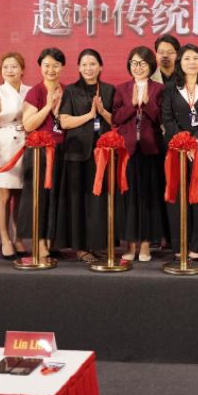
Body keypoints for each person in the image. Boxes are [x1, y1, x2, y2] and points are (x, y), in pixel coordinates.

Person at [57, 49, 116, 263]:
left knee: (99, 200)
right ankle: (81, 248)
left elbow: (117, 121)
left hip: (103, 152)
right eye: (84, 64)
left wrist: (102, 112)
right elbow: (64, 121)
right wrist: (90, 115)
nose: (88, 68)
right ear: (79, 67)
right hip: (77, 152)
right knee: (78, 201)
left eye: (92, 64)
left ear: (100, 67)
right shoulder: (71, 90)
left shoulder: (109, 90)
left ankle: (98, 244)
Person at [162, 44, 198, 259]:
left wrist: (195, 141)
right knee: (178, 197)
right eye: (187, 58)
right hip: (176, 150)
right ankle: (179, 245)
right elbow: (167, 119)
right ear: (180, 63)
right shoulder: (170, 88)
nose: (191, 62)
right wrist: (183, 142)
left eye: (195, 58)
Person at [113, 46, 166, 262]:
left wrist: (146, 104)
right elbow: (115, 118)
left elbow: (163, 117)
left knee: (148, 198)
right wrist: (132, 105)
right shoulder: (121, 89)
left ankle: (145, 245)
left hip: (151, 149)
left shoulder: (160, 89)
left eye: (142, 63)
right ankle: (130, 245)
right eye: (134, 63)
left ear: (151, 65)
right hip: (128, 151)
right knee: (129, 200)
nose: (138, 67)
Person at [19, 47, 66, 260]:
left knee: (56, 197)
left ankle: (51, 240)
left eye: (55, 65)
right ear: (40, 67)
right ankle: (38, 242)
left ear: (62, 67)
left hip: (61, 151)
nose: (51, 69)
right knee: (38, 198)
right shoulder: (35, 92)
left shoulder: (67, 91)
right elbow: (28, 125)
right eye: (46, 65)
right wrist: (48, 107)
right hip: (39, 152)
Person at [0, 52, 32, 260]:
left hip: (25, 143)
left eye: (14, 66)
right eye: (5, 67)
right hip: (3, 145)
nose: (9, 70)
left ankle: (18, 237)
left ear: (22, 70)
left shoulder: (30, 91)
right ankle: (5, 239)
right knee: (4, 194)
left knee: (21, 194)